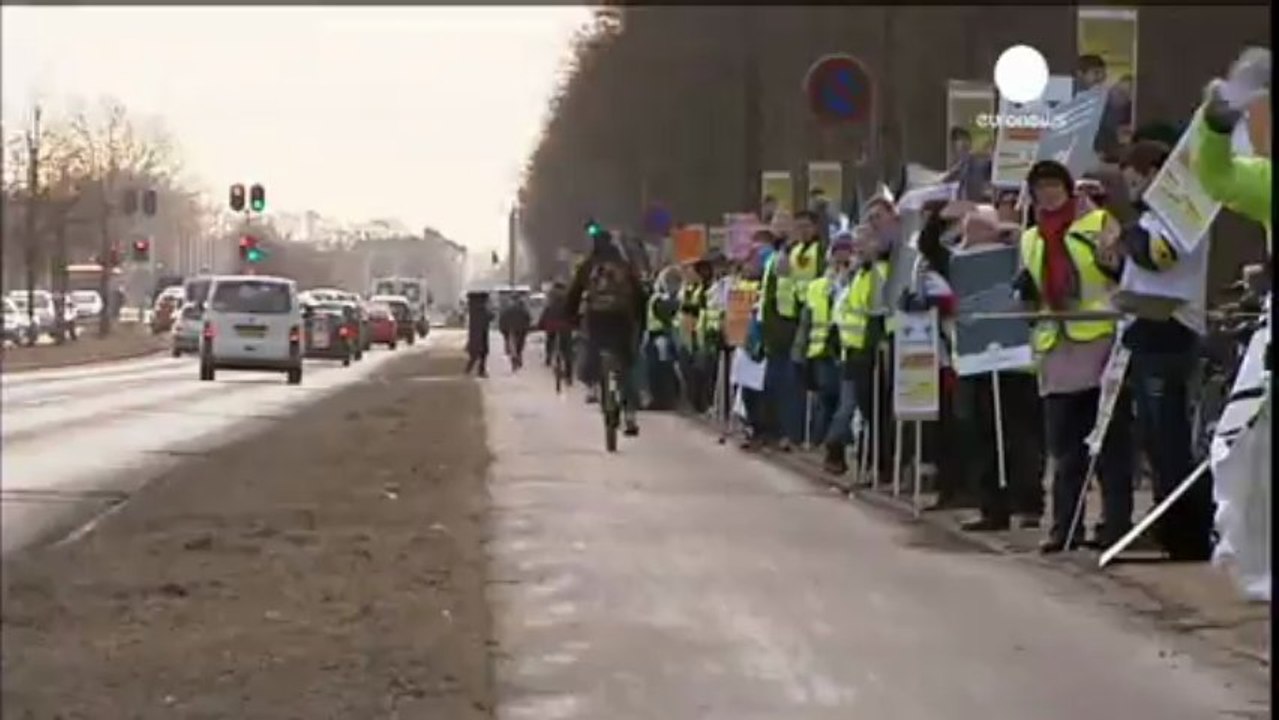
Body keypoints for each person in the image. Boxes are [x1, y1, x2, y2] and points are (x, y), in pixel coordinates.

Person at [1012, 159, 1134, 553]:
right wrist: (1024, 295)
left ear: (1067, 189)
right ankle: (1065, 527)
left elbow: (1125, 274)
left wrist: (1110, 263)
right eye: (1040, 188)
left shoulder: (1099, 224)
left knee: (1109, 445)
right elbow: (1029, 292)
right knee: (1064, 450)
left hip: (1098, 343)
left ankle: (1115, 526)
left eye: (1054, 185)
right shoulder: (1030, 238)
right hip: (1055, 349)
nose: (1048, 193)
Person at [1103, 139, 1215, 561]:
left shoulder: (1178, 215)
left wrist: (1126, 236)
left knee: (1169, 440)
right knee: (1153, 438)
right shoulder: (1150, 218)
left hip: (1169, 330)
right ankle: (1169, 523)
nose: (1128, 186)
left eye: (1133, 177)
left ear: (1153, 174)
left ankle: (1187, 531)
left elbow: (1158, 258)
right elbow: (1136, 270)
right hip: (1144, 329)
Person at [565, 226, 647, 436]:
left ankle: (593, 386)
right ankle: (630, 415)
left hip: (596, 319)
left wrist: (571, 319)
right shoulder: (624, 265)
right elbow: (639, 294)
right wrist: (640, 320)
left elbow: (573, 294)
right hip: (622, 319)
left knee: (591, 352)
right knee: (627, 364)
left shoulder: (588, 265)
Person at [760, 209, 825, 450]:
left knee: (795, 385)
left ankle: (795, 434)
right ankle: (778, 432)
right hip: (780, 324)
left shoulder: (816, 252)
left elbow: (806, 286)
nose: (800, 230)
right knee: (777, 384)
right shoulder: (786, 253)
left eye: (804, 226)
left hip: (801, 323)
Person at [796, 230, 855, 466]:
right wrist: (799, 351)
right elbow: (806, 321)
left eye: (846, 252)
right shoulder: (817, 286)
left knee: (845, 402)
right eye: (837, 253)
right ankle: (832, 452)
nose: (841, 259)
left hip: (848, 348)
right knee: (828, 399)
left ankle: (833, 444)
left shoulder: (855, 280)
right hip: (822, 352)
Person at [499, 293, 533, 371]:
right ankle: (517, 357)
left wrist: (504, 331)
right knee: (519, 345)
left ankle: (515, 358)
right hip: (521, 330)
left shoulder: (507, 309)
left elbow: (502, 320)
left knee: (513, 345)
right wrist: (527, 329)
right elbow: (528, 319)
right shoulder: (523, 309)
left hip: (511, 329)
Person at [465, 290, 493, 378]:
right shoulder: (482, 309)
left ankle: (470, 369)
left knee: (475, 354)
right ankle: (479, 371)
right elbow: (489, 317)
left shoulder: (473, 308)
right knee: (482, 353)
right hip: (481, 334)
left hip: (475, 335)